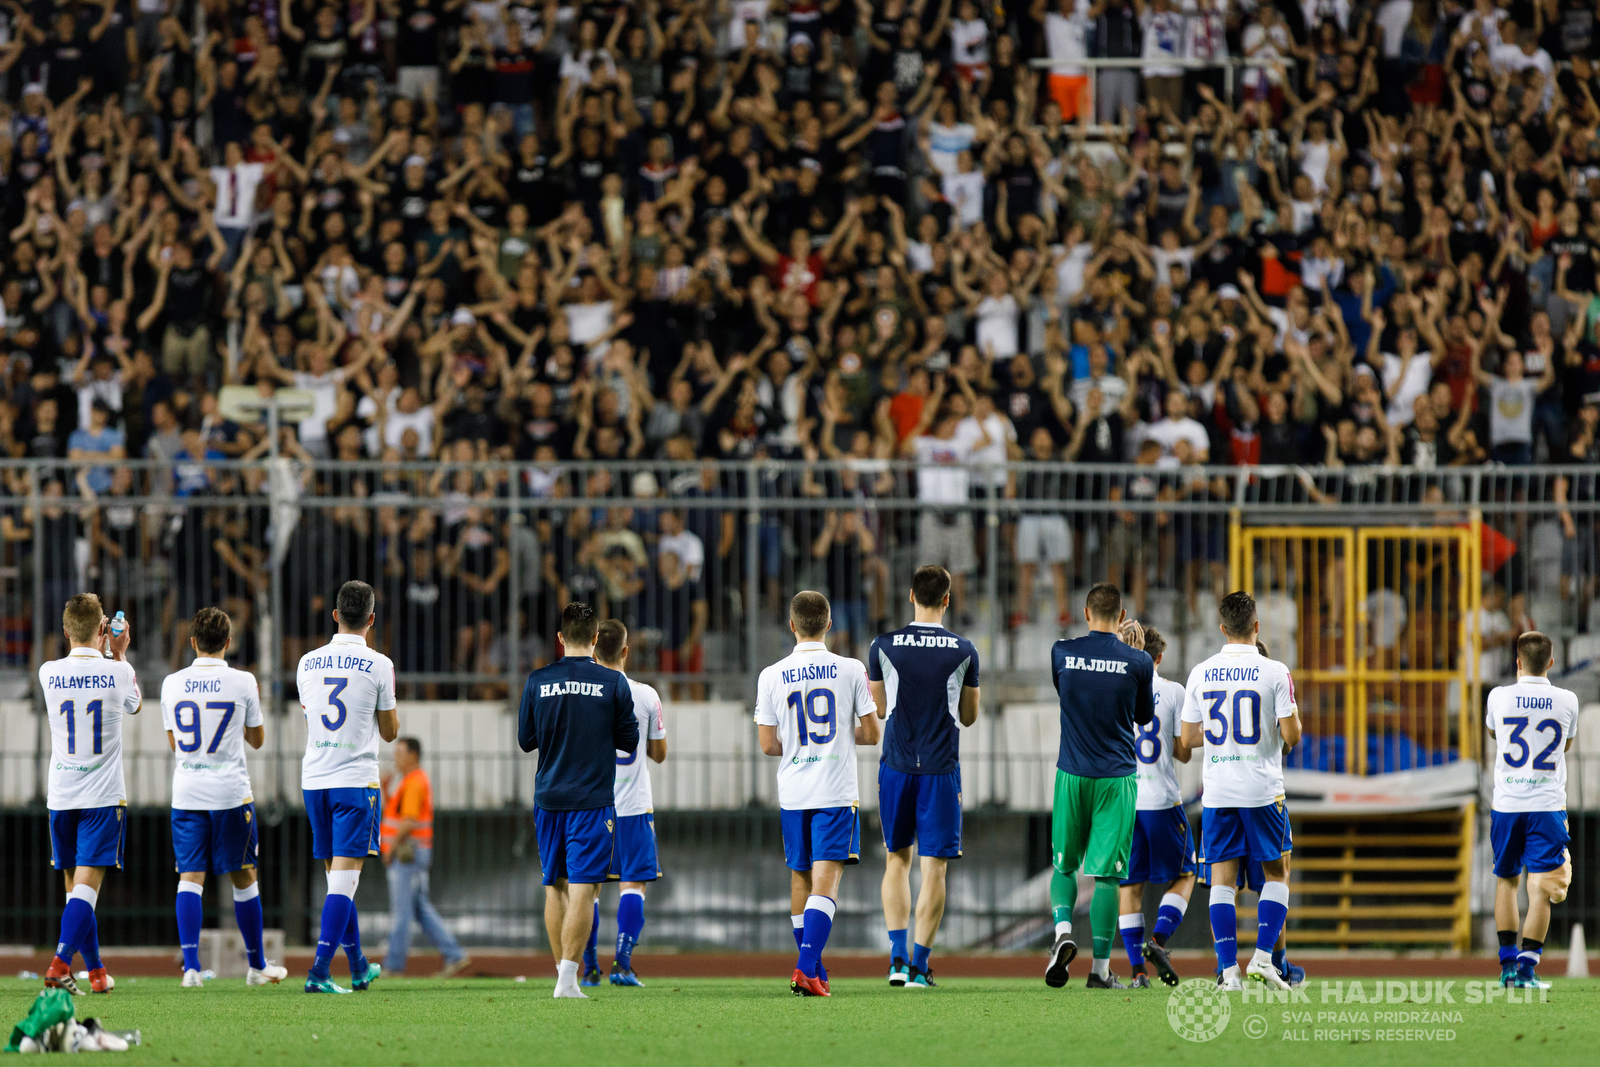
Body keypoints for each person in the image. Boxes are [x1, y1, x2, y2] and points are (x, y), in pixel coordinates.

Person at [755, 591, 881, 997]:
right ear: (829, 625)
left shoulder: (771, 674)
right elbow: (872, 733)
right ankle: (806, 967)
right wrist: (843, 736)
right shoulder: (850, 669)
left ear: (792, 626)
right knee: (826, 882)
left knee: (801, 879)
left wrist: (797, 746)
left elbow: (768, 745)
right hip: (834, 789)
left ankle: (815, 969)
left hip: (794, 790)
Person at [517, 602, 640, 999]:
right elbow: (630, 741)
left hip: (548, 796)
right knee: (585, 887)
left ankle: (562, 976)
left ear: (559, 638)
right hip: (592, 799)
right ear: (594, 638)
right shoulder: (613, 684)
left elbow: (526, 741)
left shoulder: (537, 681)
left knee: (554, 885)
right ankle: (567, 981)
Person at [1179, 591, 1301, 990]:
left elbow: (1188, 737)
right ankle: (1265, 959)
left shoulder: (1201, 672)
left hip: (1218, 791)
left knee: (1222, 882)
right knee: (1277, 873)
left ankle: (1229, 971)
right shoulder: (1274, 671)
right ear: (1257, 626)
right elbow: (1292, 735)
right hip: (1262, 790)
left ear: (1221, 628)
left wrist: (1222, 737)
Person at [161, 607, 287, 988]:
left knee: (190, 878)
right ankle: (257, 966)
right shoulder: (243, 681)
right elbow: (258, 739)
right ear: (229, 643)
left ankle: (191, 969)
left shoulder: (172, 683)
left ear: (193, 642)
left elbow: (174, 743)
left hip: (187, 792)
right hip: (230, 793)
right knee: (244, 874)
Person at [867, 566, 980, 988]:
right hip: (940, 770)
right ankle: (919, 967)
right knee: (935, 869)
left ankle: (896, 960)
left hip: (896, 766)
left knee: (897, 859)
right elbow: (968, 717)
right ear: (947, 600)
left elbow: (879, 709)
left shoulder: (884, 645)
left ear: (910, 595)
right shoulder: (963, 649)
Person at [1044, 582, 1154, 990]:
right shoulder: (1139, 662)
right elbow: (1143, 717)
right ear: (1122, 616)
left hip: (1071, 772)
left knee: (1064, 863)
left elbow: (1068, 697)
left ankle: (1061, 933)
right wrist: (1136, 655)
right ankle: (1101, 971)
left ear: (1086, 614)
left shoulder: (1061, 652)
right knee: (1107, 876)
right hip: (1116, 778)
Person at [298, 580, 400, 994]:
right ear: (371, 620)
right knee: (346, 880)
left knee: (338, 881)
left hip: (315, 780)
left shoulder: (307, 662)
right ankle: (319, 972)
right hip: (355, 782)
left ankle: (358, 966)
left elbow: (311, 712)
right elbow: (391, 733)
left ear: (336, 615)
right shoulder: (379, 665)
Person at [41, 594, 139, 996]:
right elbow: (133, 705)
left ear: (65, 632)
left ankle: (97, 972)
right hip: (101, 796)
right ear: (103, 629)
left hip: (62, 794)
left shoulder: (48, 672)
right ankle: (59, 966)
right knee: (87, 889)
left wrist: (103, 650)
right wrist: (119, 653)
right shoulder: (118, 673)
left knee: (75, 891)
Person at [1486, 631, 1578, 989]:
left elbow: (1496, 735)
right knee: (1541, 890)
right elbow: (1565, 745)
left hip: (1507, 804)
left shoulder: (1498, 696)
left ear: (1518, 662)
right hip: (1547, 805)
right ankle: (1526, 971)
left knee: (1506, 880)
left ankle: (1508, 967)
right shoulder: (1567, 700)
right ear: (1551, 663)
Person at [579, 620, 668, 987]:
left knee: (589, 888)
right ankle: (623, 963)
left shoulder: (582, 694)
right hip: (633, 807)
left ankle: (588, 969)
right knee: (633, 885)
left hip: (592, 805)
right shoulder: (646, 695)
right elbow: (659, 754)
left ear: (594, 649)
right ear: (626, 651)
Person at [1115, 626, 1194, 989]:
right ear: (1159, 657)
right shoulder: (1174, 691)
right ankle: (1159, 941)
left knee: (1129, 886)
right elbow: (1183, 752)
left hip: (1125, 801)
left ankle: (1137, 972)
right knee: (1185, 874)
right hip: (1162, 800)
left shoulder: (1116, 689)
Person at [381, 737, 470, 978]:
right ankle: (454, 955)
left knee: (402, 912)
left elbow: (407, 822)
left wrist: (389, 850)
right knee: (420, 910)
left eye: (399, 752)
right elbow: (396, 814)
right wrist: (383, 789)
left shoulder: (414, 782)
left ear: (413, 755)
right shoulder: (410, 781)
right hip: (413, 852)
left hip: (407, 854)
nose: (395, 757)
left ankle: (393, 965)